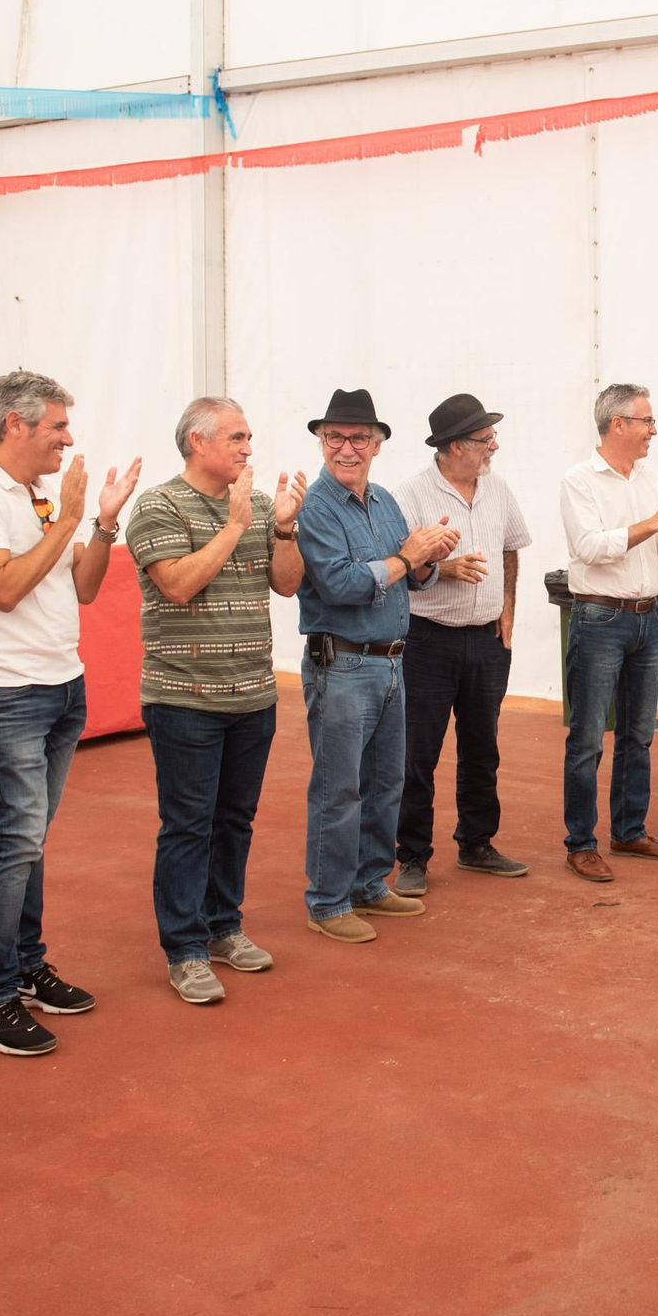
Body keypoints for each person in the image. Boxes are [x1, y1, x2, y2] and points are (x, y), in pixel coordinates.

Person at [0, 369, 140, 1055]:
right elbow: (5, 589)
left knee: (31, 838)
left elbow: (81, 586)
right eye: (56, 427)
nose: (68, 439)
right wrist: (75, 519)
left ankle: (23, 967)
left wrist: (103, 523)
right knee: (14, 838)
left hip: (58, 681)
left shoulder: (37, 493)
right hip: (2, 689)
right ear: (13, 424)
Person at [125, 396, 304, 1004]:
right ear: (197, 442)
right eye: (236, 437)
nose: (248, 448)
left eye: (249, 437)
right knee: (187, 826)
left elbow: (286, 583)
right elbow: (176, 585)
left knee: (234, 820)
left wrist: (280, 528)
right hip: (183, 697)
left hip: (253, 692)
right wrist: (232, 527)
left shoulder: (256, 506)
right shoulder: (157, 506)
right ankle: (185, 949)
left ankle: (224, 925)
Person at [295, 388, 457, 942]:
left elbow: (411, 577)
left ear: (378, 445)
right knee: (339, 789)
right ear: (321, 441)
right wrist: (407, 557)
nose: (346, 447)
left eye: (358, 438)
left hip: (389, 662)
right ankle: (327, 900)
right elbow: (338, 584)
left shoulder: (385, 499)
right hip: (341, 663)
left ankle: (368, 883)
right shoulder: (315, 508)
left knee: (386, 782)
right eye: (335, 437)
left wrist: (429, 559)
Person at [559, 383, 658, 883]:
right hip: (600, 619)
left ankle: (629, 828)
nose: (654, 430)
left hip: (647, 616)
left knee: (638, 736)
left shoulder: (648, 479)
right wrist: (657, 519)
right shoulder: (579, 480)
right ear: (618, 423)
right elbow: (590, 547)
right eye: (646, 421)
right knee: (587, 740)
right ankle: (580, 843)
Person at [393, 393, 534, 895]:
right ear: (455, 446)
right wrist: (444, 568)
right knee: (418, 754)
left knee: (483, 747)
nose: (494, 445)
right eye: (484, 439)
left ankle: (476, 844)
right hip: (427, 640)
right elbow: (396, 565)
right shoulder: (409, 495)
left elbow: (511, 548)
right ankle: (411, 856)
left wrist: (508, 610)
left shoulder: (497, 490)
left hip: (488, 640)